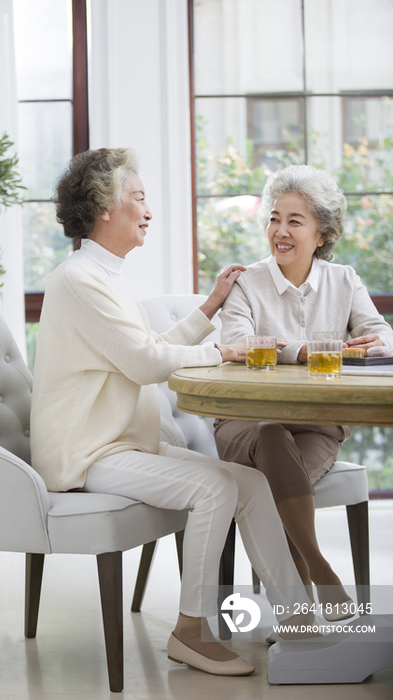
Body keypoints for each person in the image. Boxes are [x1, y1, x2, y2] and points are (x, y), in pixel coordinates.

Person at [30, 148, 318, 678]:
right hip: (87, 453)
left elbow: (147, 347)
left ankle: (300, 622)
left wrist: (210, 308)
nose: (148, 209)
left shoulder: (106, 275)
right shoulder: (78, 280)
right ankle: (191, 630)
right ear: (103, 209)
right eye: (138, 198)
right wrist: (224, 350)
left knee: (248, 482)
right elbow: (144, 363)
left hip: (122, 443)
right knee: (214, 488)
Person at [215, 164, 393, 619]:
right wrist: (308, 351)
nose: (281, 231)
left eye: (295, 221)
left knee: (279, 467)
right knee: (272, 434)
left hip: (317, 425)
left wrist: (378, 340)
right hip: (245, 422)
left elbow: (380, 334)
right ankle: (323, 573)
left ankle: (298, 619)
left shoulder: (344, 280)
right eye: (275, 218)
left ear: (321, 234)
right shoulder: (245, 285)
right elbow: (240, 349)